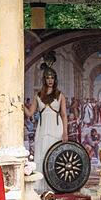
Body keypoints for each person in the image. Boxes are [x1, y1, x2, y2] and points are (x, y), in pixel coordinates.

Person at [24, 62, 68, 192]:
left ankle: (55, 185)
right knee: (42, 154)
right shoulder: (38, 95)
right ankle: (41, 186)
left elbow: (64, 115)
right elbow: (30, 113)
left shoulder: (60, 95)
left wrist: (65, 133)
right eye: (48, 78)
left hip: (56, 128)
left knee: (55, 156)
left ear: (55, 80)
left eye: (52, 78)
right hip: (42, 130)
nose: (50, 80)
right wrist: (21, 105)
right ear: (44, 79)